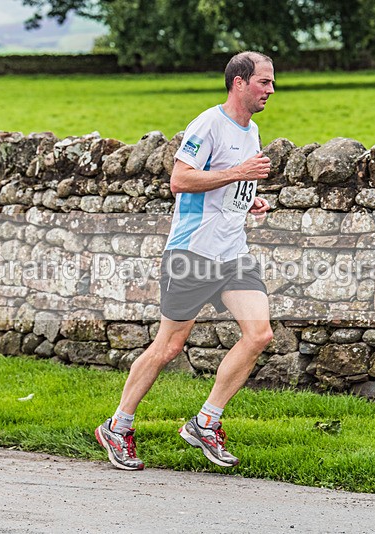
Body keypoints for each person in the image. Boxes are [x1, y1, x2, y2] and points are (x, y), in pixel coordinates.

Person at [95, 51, 276, 470]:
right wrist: (239, 175)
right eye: (264, 82)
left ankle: (205, 422)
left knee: (260, 335)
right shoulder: (209, 123)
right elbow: (180, 180)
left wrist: (247, 200)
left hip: (233, 253)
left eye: (271, 82)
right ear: (239, 83)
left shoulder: (252, 131)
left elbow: (226, 186)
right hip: (192, 253)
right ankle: (117, 427)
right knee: (169, 346)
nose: (271, 89)